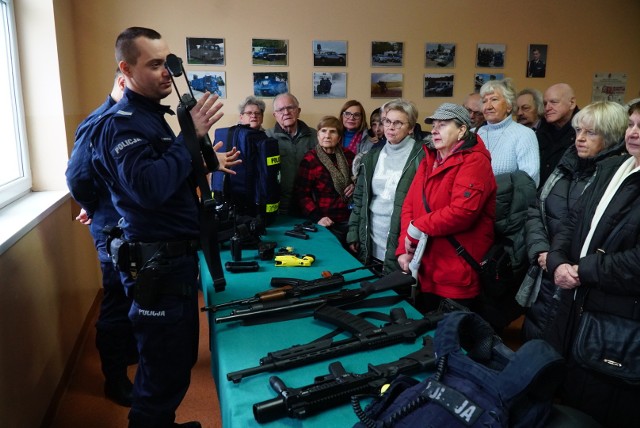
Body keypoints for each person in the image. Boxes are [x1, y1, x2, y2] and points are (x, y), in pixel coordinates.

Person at [91, 27, 240, 428]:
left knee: (174, 364)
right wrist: (190, 134)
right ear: (126, 69)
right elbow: (150, 189)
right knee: (159, 372)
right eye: (154, 64)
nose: (166, 73)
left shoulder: (152, 119)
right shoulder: (121, 124)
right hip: (157, 263)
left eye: (167, 63)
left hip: (174, 260)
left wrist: (204, 155)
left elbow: (168, 174)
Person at [544, 100, 640, 427]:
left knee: (600, 406)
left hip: (617, 314)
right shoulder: (614, 168)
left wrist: (582, 270)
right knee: (566, 392)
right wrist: (557, 261)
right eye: (632, 125)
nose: (635, 133)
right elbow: (573, 220)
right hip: (574, 300)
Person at [520, 101, 627, 342]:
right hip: (546, 272)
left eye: (590, 133)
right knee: (535, 346)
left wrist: (563, 264)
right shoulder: (565, 164)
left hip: (579, 278)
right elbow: (536, 209)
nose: (580, 138)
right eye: (578, 131)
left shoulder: (616, 176)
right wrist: (542, 251)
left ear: (610, 136)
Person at [65, 69, 137, 407]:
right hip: (113, 229)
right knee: (117, 303)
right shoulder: (101, 122)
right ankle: (115, 379)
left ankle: (129, 355)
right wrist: (93, 206)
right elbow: (77, 177)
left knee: (132, 297)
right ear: (122, 81)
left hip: (129, 225)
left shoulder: (127, 117)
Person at [396, 103, 497, 313]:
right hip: (425, 268)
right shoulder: (429, 159)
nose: (434, 130)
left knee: (451, 339)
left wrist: (416, 230)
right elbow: (410, 205)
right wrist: (404, 249)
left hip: (456, 273)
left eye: (443, 125)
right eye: (434, 125)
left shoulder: (475, 161)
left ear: (462, 130)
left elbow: (462, 213)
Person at [347, 99, 426, 274]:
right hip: (372, 238)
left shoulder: (423, 156)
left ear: (411, 127)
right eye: (387, 121)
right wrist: (353, 231)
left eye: (398, 123)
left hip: (403, 241)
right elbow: (359, 198)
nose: (391, 127)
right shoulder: (371, 156)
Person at [294, 116, 355, 244]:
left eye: (332, 131)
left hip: (351, 219)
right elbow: (301, 194)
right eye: (323, 131)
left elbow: (360, 181)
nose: (327, 135)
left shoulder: (349, 156)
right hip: (326, 222)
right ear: (318, 135)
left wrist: (354, 184)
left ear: (339, 137)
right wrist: (318, 217)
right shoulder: (310, 159)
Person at [477, 78, 540, 186]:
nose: (488, 106)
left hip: (506, 202)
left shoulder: (524, 134)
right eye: (484, 101)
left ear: (509, 105)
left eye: (494, 99)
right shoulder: (474, 134)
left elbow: (529, 179)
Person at [265, 93, 317, 215]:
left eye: (290, 108)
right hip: (280, 205)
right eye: (281, 109)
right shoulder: (266, 137)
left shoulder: (315, 136)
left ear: (298, 111)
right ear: (275, 115)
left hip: (310, 204)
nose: (286, 112)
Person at [537, 83, 579, 187]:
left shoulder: (585, 129)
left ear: (572, 103)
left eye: (554, 102)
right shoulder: (541, 127)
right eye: (545, 103)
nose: (547, 108)